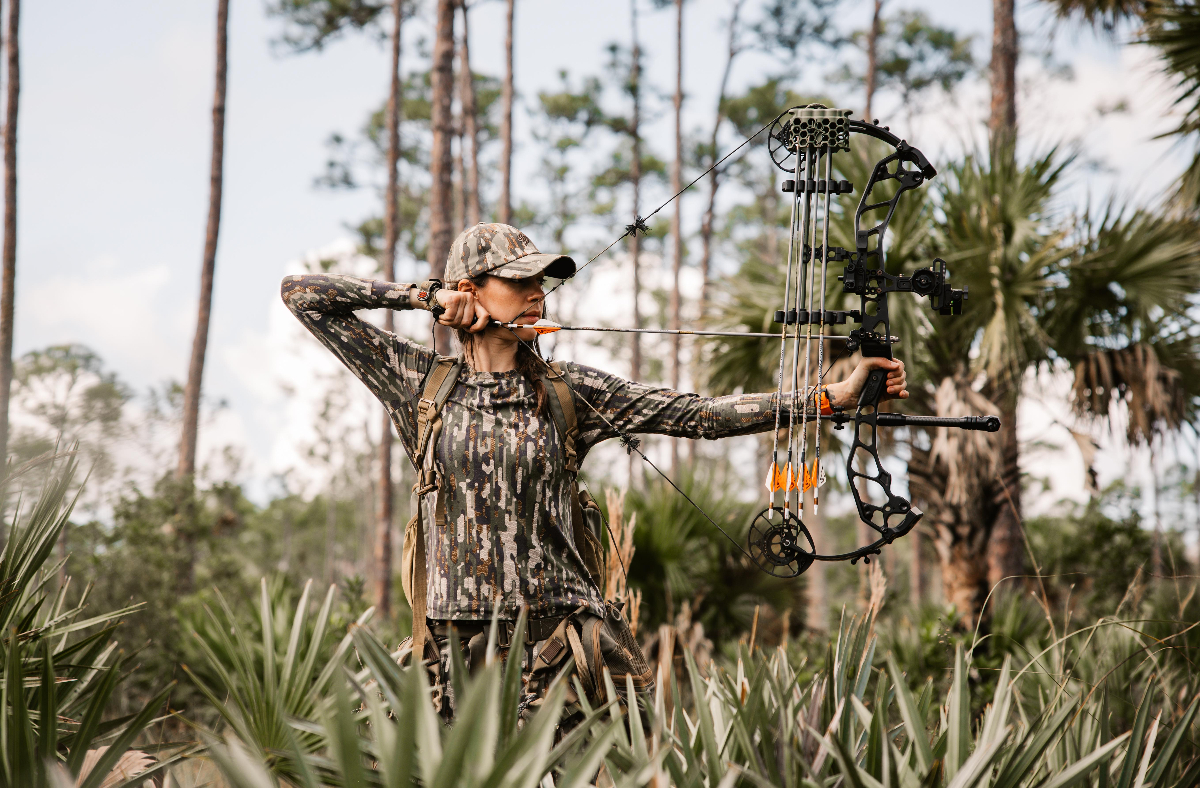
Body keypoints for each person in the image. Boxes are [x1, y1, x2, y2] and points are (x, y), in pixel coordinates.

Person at [281, 222, 907, 726]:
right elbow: (301, 294)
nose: (537, 295)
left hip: (561, 651)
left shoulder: (567, 390)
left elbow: (700, 416)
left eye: (542, 285)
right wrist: (421, 297)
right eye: (518, 282)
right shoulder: (421, 381)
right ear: (469, 288)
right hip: (456, 654)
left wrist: (829, 398)